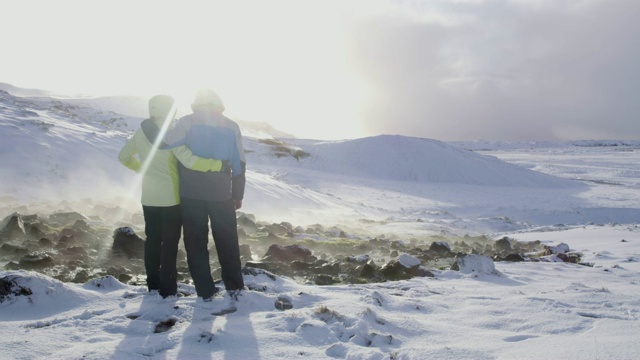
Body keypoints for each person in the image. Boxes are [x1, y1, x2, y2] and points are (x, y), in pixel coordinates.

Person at [118, 94, 223, 298]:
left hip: (148, 198)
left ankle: (153, 286)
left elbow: (123, 157)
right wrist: (217, 165)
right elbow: (190, 161)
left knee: (152, 241)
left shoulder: (141, 132)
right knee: (170, 244)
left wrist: (143, 169)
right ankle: (168, 288)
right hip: (172, 200)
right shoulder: (171, 134)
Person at [165, 88, 246, 301]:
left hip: (191, 193)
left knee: (195, 242)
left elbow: (167, 142)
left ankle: (205, 290)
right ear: (219, 105)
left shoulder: (187, 122)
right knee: (227, 239)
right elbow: (239, 162)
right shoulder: (231, 126)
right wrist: (237, 194)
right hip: (221, 194)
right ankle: (235, 286)